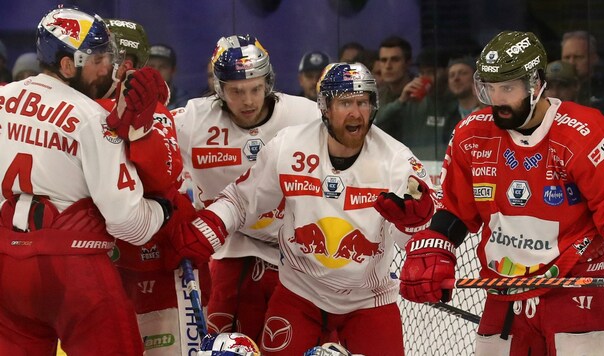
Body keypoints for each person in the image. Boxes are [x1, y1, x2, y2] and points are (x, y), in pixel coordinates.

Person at [170, 62, 437, 355]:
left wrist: (415, 226)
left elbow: (419, 238)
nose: (356, 112)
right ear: (324, 108)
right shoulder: (289, 145)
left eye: (363, 102)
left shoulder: (397, 161)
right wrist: (211, 225)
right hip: (299, 294)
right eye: (345, 102)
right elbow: (243, 199)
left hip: (369, 301)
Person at [399, 30, 604, 355]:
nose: (497, 100)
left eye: (507, 88)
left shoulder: (584, 132)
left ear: (535, 84)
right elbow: (455, 208)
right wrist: (436, 246)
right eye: (490, 88)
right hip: (503, 294)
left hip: (575, 292)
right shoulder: (472, 134)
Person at [0, 7, 169, 355]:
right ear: (66, 65)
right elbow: (128, 225)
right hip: (72, 271)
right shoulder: (94, 118)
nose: (108, 67)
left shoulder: (2, 99)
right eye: (98, 58)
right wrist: (163, 209)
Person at [172, 34, 320, 341]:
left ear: (268, 83)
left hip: (297, 255)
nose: (249, 101)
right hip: (230, 248)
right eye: (236, 92)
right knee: (221, 342)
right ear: (219, 89)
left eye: (255, 89)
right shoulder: (193, 120)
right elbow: (146, 140)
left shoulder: (305, 115)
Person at [97, 18, 209, 355]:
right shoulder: (76, 106)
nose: (88, 62)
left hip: (153, 266)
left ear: (123, 65)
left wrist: (141, 127)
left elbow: (165, 178)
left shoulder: (156, 112)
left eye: (98, 56)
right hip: (94, 266)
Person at [375, 56, 478, 161]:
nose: (425, 77)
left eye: (430, 72)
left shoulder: (454, 106)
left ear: (443, 74)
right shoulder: (411, 103)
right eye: (422, 73)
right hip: (412, 168)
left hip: (440, 168)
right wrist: (400, 101)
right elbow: (376, 123)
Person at [561, 30, 604, 131]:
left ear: (594, 58)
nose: (571, 63)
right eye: (567, 57)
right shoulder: (551, 89)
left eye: (578, 57)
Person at [147, 43, 191, 110]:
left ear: (173, 70)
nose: (156, 71)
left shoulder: (185, 102)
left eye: (163, 67)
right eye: (151, 66)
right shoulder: (132, 98)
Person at [377, 36, 414, 106]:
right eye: (383, 60)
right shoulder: (377, 97)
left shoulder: (421, 95)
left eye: (395, 60)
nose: (388, 66)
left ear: (408, 63)